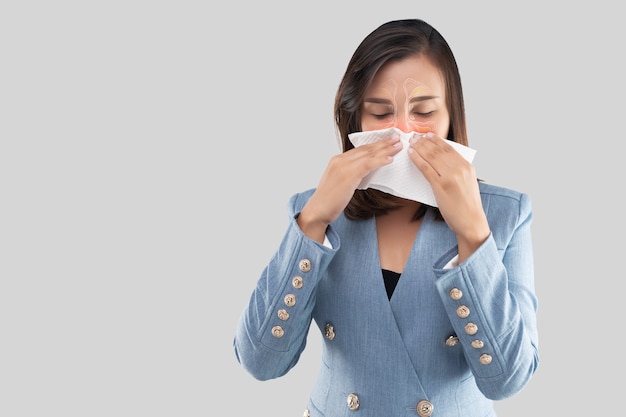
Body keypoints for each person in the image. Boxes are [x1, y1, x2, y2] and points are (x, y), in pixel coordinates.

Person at [233, 18, 538, 417]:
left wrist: (473, 235)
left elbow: (508, 380)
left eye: (424, 111)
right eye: (380, 113)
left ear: (451, 116)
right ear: (355, 119)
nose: (404, 132)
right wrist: (313, 222)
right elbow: (259, 362)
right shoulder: (317, 212)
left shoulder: (504, 213)